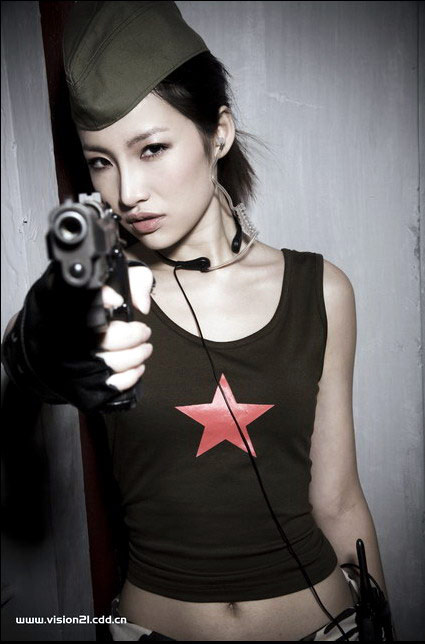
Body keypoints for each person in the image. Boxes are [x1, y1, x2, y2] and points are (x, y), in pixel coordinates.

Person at [2, 1, 394, 641]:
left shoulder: (321, 290)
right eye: (100, 161)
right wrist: (38, 345)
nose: (126, 192)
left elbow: (339, 498)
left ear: (220, 133)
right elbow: (32, 353)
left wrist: (382, 620)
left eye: (152, 148)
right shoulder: (101, 293)